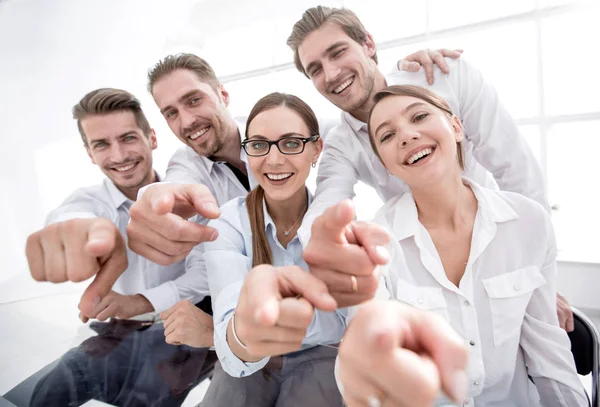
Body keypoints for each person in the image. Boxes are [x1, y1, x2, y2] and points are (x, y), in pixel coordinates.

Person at [288, 5, 574, 329]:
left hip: (497, 247)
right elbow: (326, 205)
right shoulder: (341, 144)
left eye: (337, 52)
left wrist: (537, 274)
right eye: (315, 69)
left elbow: (516, 168)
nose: (331, 73)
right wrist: (322, 244)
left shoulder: (444, 76)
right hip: (428, 270)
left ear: (368, 44)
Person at [337, 85, 587, 407]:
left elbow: (550, 358)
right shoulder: (373, 246)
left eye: (420, 116)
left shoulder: (528, 222)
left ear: (456, 127)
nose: (407, 135)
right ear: (386, 164)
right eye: (387, 136)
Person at [199, 92, 346, 406]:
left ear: (316, 150)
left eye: (291, 143)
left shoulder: (338, 219)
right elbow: (230, 338)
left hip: (322, 360)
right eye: (259, 145)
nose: (274, 159)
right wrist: (246, 333)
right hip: (250, 363)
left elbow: (347, 322)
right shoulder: (229, 221)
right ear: (248, 151)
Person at [25, 88, 208, 323]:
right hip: (120, 330)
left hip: (195, 319)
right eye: (101, 145)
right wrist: (75, 229)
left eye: (128, 138)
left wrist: (140, 302)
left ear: (152, 138)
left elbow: (205, 272)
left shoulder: (189, 193)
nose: (119, 156)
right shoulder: (88, 202)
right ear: (90, 154)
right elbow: (70, 215)